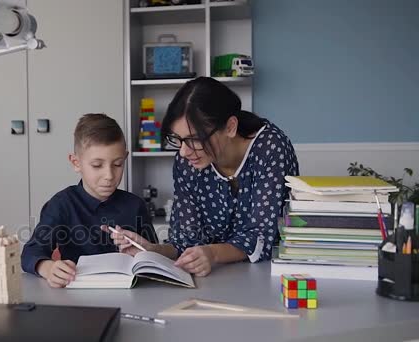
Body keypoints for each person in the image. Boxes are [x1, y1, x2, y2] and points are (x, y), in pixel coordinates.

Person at [106, 77, 299, 277]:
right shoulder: (188, 161)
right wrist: (152, 251)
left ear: (230, 127)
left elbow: (261, 237)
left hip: (271, 275)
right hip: (213, 278)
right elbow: (186, 242)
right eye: (178, 140)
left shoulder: (270, 148)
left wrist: (212, 253)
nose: (183, 152)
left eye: (194, 139)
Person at [21, 113, 158, 288]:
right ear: (76, 162)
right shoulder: (61, 204)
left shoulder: (135, 205)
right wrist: (47, 268)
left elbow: (155, 258)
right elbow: (30, 252)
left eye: (117, 164)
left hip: (131, 292)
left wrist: (142, 253)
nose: (109, 176)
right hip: (77, 294)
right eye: (97, 165)